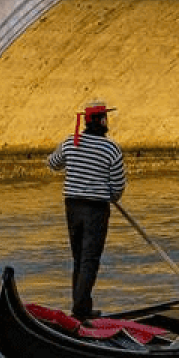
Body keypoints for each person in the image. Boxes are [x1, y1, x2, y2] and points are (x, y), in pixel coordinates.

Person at [48, 100, 126, 323]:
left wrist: (73, 161)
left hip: (72, 206)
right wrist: (110, 196)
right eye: (105, 118)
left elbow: (53, 164)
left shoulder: (70, 143)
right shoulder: (111, 149)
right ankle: (81, 310)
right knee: (89, 259)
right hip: (96, 209)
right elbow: (118, 185)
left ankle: (80, 306)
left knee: (79, 257)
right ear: (101, 121)